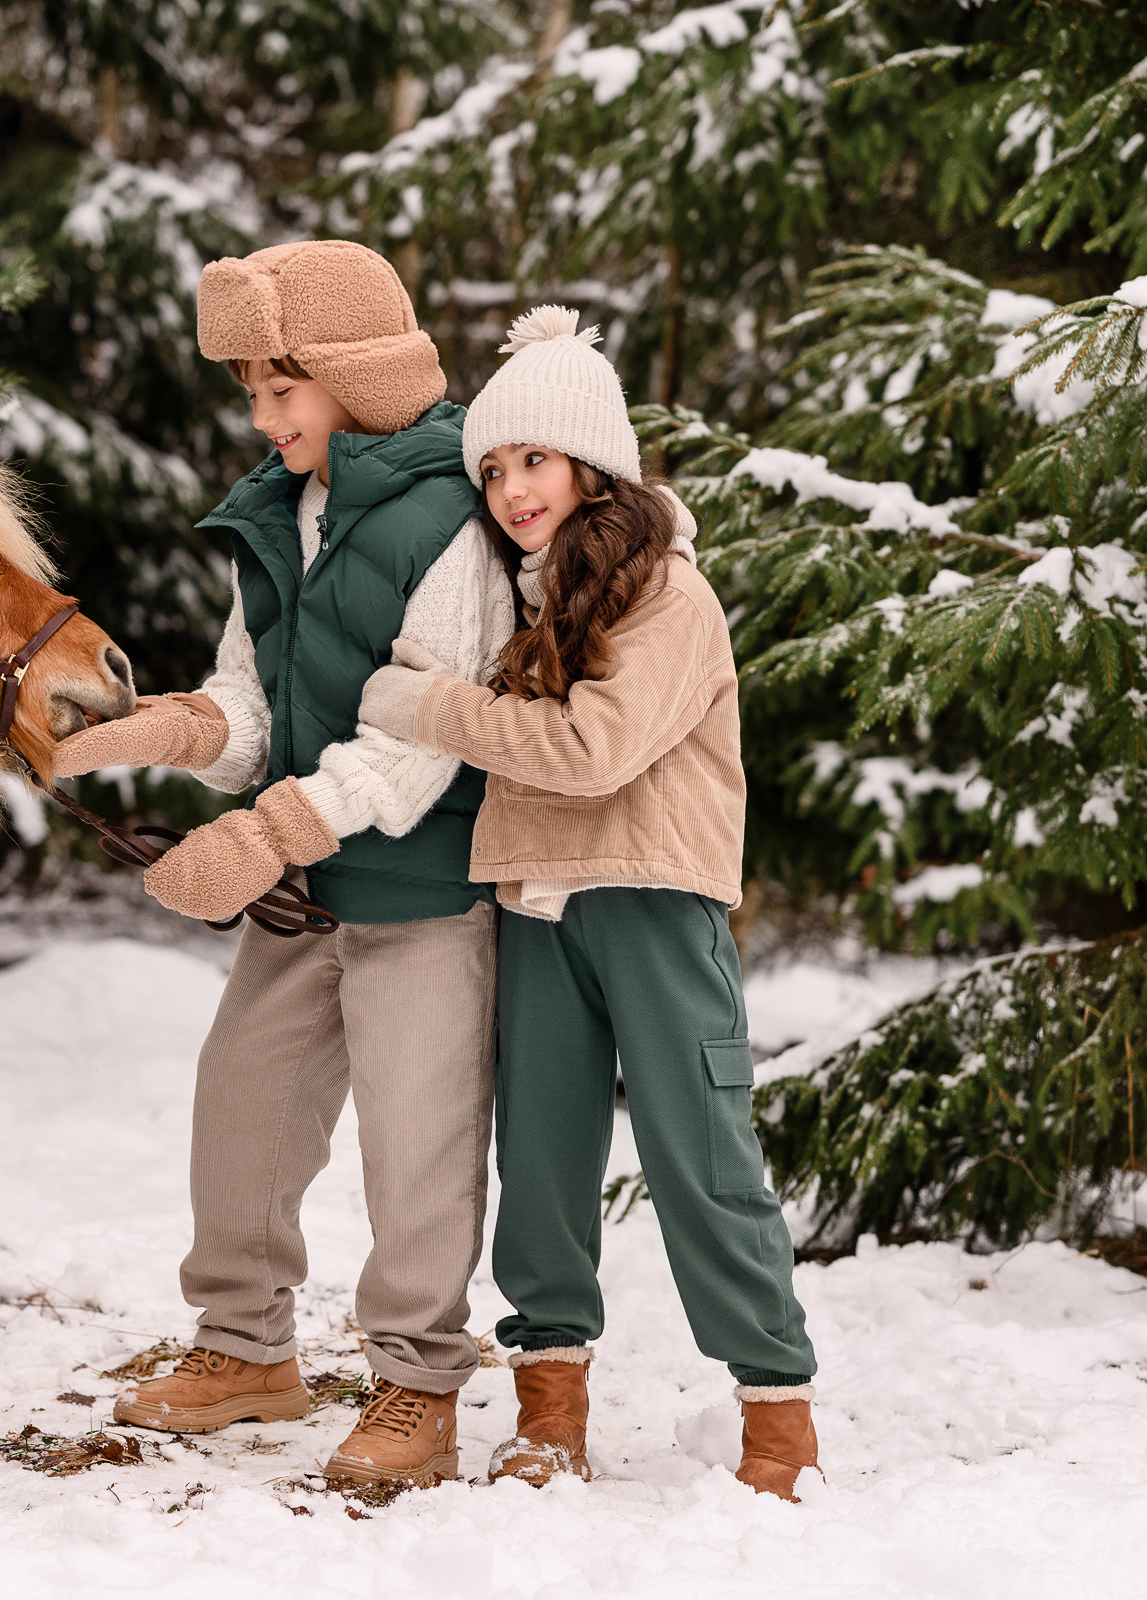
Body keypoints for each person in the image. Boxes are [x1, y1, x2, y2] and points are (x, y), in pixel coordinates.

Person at [54, 240, 515, 1492]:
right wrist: (159, 735)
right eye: (251, 393)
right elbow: (247, 699)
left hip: (423, 893)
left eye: (280, 390)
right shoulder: (284, 511)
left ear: (355, 375)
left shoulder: (453, 518)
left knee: (416, 1146)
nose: (262, 419)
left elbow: (417, 741)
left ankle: (418, 1385)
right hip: (303, 899)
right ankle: (247, 1347)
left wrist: (260, 833)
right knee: (242, 1104)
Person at [359, 305, 822, 1500]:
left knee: (698, 1153)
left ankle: (777, 1419)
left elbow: (595, 750)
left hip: (655, 898)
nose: (513, 488)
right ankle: (547, 1407)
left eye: (535, 462)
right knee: (545, 1161)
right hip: (534, 901)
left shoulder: (668, 594)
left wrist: (434, 710)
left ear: (593, 463)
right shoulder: (519, 597)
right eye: (496, 468)